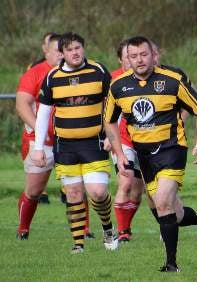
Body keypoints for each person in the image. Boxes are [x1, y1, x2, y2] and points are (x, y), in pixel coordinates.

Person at [104, 36, 197, 272]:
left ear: (153, 55)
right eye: (133, 56)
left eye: (143, 54)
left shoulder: (173, 81)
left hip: (172, 149)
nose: (139, 60)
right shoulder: (118, 86)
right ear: (126, 59)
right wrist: (120, 154)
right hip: (144, 156)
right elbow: (109, 122)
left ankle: (171, 264)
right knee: (175, 214)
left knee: (161, 202)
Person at [31, 32, 118, 253]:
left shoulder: (98, 71)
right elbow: (43, 113)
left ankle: (108, 228)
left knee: (97, 192)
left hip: (94, 143)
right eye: (69, 49)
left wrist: (111, 135)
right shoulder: (52, 77)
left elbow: (114, 104)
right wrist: (39, 147)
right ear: (62, 53)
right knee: (74, 194)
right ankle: (78, 244)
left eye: (78, 48)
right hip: (66, 146)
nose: (75, 52)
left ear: (84, 48)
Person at [15, 33, 62, 239]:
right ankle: (23, 229)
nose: (62, 55)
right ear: (47, 52)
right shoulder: (35, 73)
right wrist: (41, 130)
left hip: (70, 139)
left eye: (66, 50)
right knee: (34, 191)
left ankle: (85, 232)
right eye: (58, 51)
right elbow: (21, 104)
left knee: (75, 187)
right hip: (41, 141)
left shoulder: (77, 74)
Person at [108, 40, 143, 242]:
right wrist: (107, 138)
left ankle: (125, 226)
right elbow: (107, 114)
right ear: (121, 59)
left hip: (145, 141)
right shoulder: (113, 81)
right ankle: (122, 233)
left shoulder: (147, 78)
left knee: (137, 193)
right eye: (129, 56)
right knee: (126, 181)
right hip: (122, 141)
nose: (133, 60)